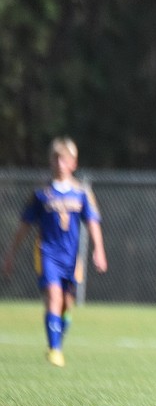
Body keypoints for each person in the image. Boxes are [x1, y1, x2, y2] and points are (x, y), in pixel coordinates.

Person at [2, 137, 108, 367]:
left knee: (66, 305)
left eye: (65, 159)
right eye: (56, 158)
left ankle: (56, 341)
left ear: (73, 163)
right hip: (47, 253)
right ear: (51, 161)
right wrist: (11, 253)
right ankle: (55, 349)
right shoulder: (41, 193)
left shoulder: (82, 193)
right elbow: (24, 226)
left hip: (71, 258)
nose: (60, 163)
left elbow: (93, 223)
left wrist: (99, 250)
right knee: (54, 297)